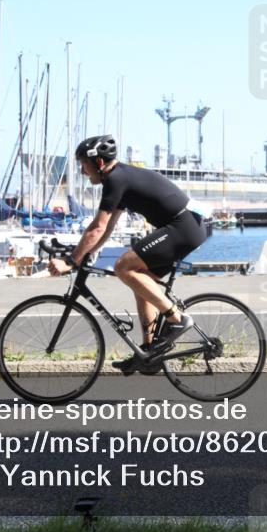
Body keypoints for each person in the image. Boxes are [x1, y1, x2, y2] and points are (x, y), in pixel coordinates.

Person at [47, 135, 207, 374]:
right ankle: (150, 351)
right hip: (186, 226)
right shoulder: (119, 178)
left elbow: (97, 227)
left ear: (99, 162)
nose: (81, 170)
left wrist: (71, 261)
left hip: (183, 226)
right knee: (139, 279)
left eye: (83, 164)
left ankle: (177, 319)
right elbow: (108, 227)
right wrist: (90, 251)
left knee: (124, 266)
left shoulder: (116, 179)